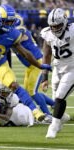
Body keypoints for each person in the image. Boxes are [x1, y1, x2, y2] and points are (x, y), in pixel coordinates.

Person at [13, 14, 55, 123]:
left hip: (36, 64)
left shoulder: (20, 29)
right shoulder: (14, 31)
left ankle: (48, 115)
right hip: (30, 66)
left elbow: (17, 39)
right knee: (28, 93)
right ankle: (54, 104)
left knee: (32, 92)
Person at [40, 8, 71, 138]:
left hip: (72, 68)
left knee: (60, 96)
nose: (55, 28)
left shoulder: (73, 30)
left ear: (64, 22)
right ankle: (62, 117)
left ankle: (53, 126)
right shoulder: (47, 33)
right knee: (56, 101)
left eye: (58, 25)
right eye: (52, 26)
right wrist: (44, 77)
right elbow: (46, 55)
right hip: (58, 68)